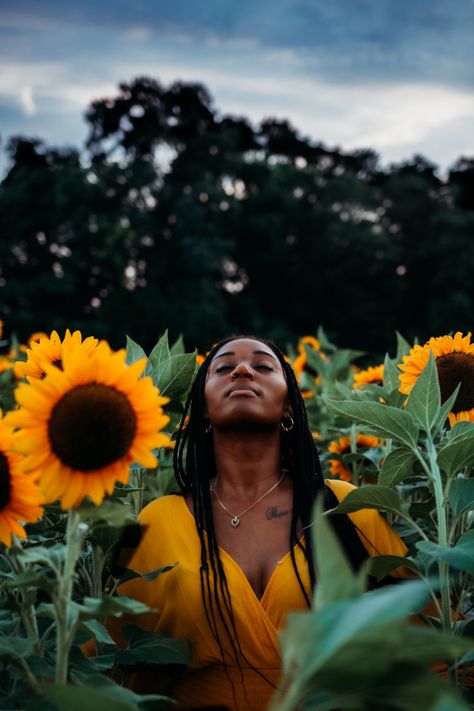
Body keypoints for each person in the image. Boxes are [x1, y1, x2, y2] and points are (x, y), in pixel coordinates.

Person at [107, 336, 407, 710]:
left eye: (263, 366)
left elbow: (423, 645)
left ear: (289, 408)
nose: (243, 370)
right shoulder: (154, 521)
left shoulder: (346, 506)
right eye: (223, 367)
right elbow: (107, 659)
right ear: (201, 409)